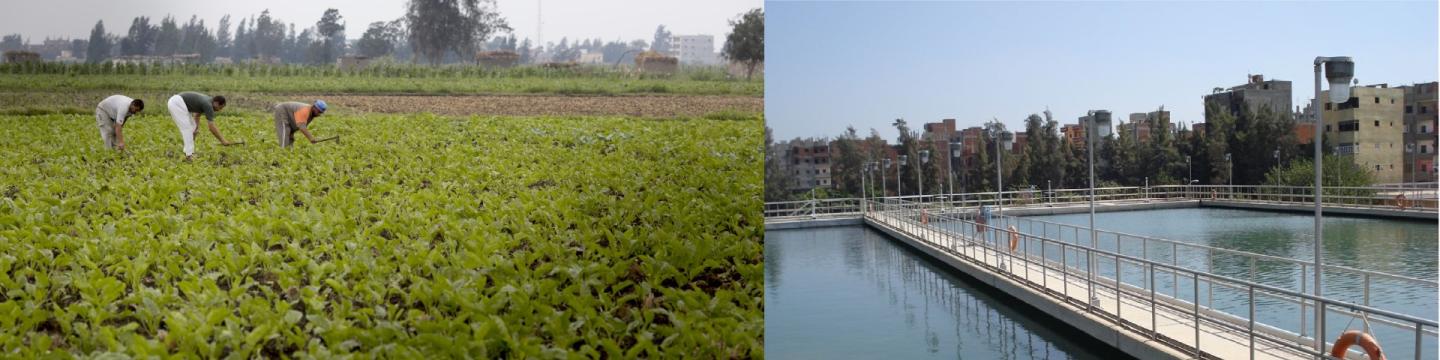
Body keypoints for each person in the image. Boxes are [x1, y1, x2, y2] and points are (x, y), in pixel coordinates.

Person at [166, 91, 235, 160]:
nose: (219, 110)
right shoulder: (208, 105)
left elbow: (197, 115)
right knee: (187, 129)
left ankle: (188, 152)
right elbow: (211, 127)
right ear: (216, 103)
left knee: (192, 128)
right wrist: (223, 140)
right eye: (220, 107)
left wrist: (196, 128)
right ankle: (189, 155)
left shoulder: (208, 101)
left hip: (177, 102)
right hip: (177, 103)